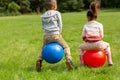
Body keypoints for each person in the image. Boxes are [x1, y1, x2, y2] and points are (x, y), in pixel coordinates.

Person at [36, 0, 74, 72]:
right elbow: (60, 25)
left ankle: (39, 60)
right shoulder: (57, 13)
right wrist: (59, 33)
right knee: (66, 47)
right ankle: (68, 59)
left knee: (43, 48)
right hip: (56, 35)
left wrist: (47, 32)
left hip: (46, 36)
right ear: (54, 6)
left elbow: (43, 26)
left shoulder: (43, 15)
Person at [79, 1, 113, 66]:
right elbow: (102, 36)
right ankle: (110, 61)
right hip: (99, 45)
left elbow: (83, 36)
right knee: (107, 45)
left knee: (80, 47)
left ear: (88, 17)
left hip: (88, 45)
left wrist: (86, 41)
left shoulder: (85, 25)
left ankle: (82, 62)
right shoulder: (100, 25)